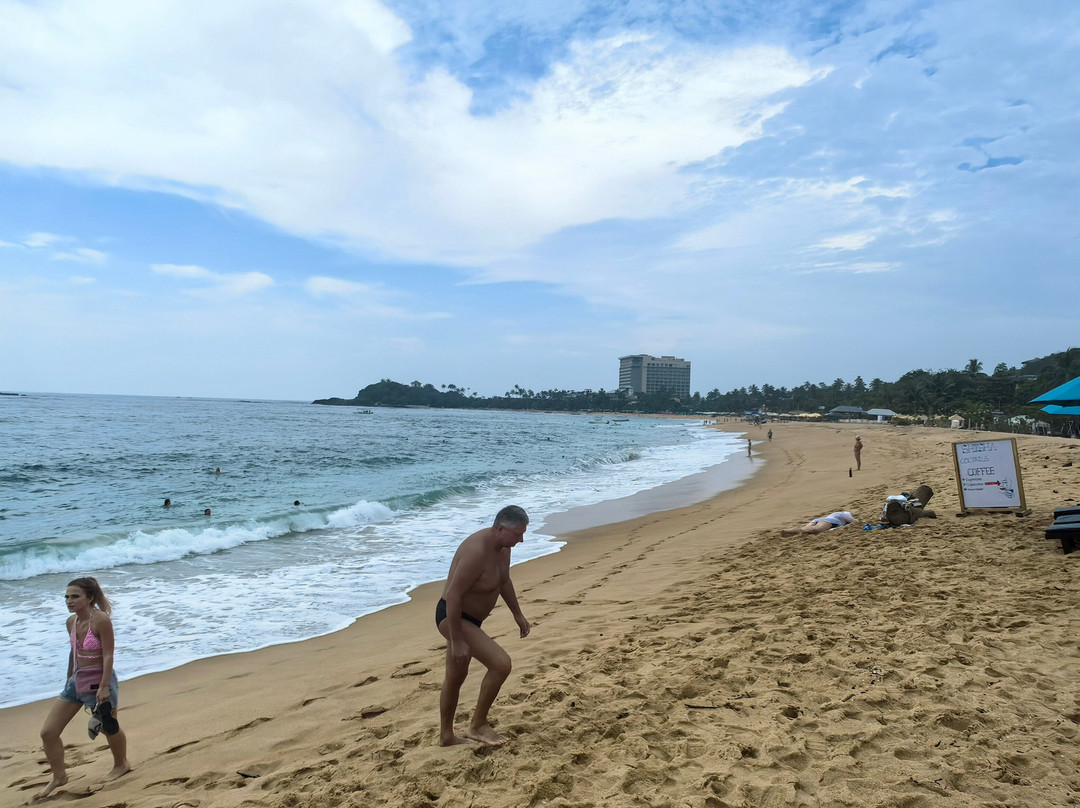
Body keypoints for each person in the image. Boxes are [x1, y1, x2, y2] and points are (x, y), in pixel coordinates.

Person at [436, 505, 531, 747]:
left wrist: (517, 615)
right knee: (501, 664)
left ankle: (446, 736)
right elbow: (454, 596)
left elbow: (504, 581)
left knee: (456, 676)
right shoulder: (476, 551)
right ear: (500, 528)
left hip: (471, 620)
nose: (521, 539)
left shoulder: (503, 547)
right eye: (517, 534)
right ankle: (478, 725)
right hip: (454, 617)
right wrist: (457, 640)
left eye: (523, 533)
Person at [37, 577, 130, 800]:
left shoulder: (101, 620)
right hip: (76, 681)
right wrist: (69, 677)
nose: (69, 600)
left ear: (89, 598)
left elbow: (108, 655)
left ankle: (121, 764)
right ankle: (59, 776)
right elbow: (74, 651)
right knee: (48, 733)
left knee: (109, 727)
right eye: (67, 596)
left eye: (75, 596)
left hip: (99, 680)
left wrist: (105, 686)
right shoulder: (71, 622)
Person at [782, 511, 859, 536]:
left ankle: (787, 531)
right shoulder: (843, 515)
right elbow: (854, 521)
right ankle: (793, 532)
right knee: (816, 529)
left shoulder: (835, 514)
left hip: (818, 519)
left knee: (804, 529)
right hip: (831, 522)